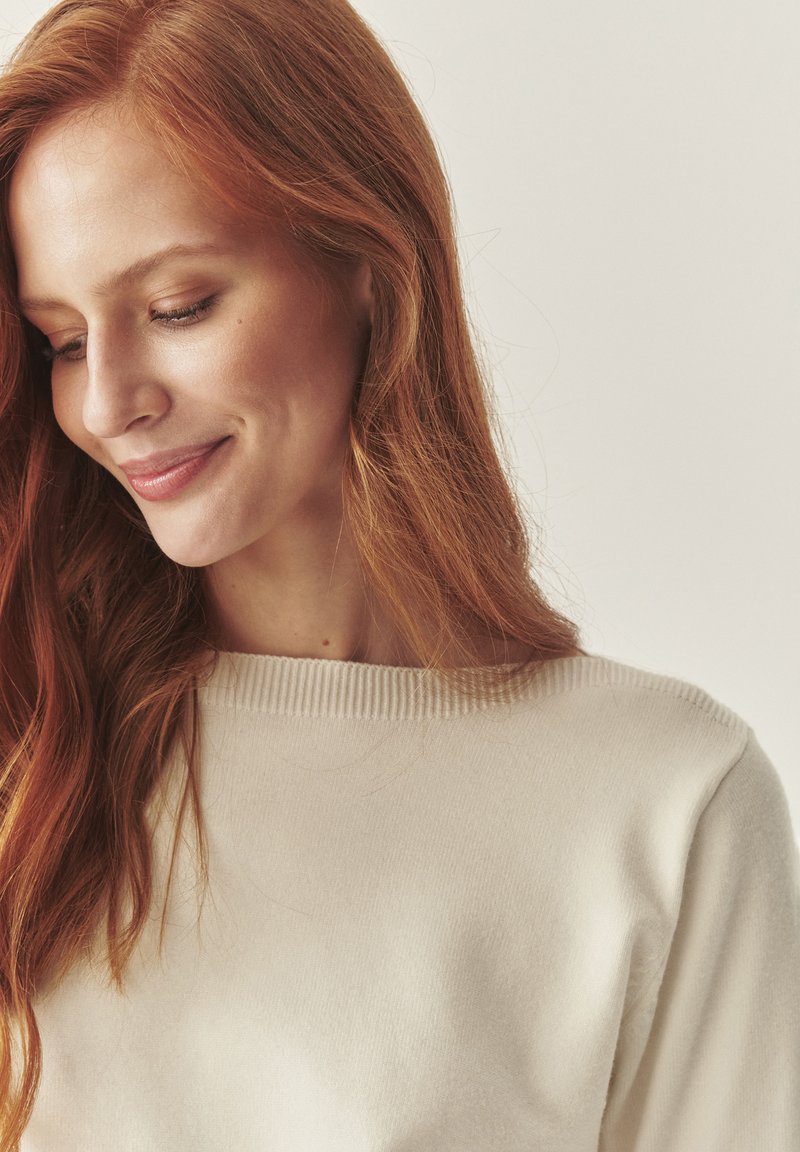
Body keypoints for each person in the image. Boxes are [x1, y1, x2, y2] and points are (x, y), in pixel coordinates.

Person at [0, 0, 797, 1148]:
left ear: (368, 263)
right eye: (63, 342)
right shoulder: (31, 747)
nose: (108, 402)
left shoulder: (665, 801)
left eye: (178, 307)